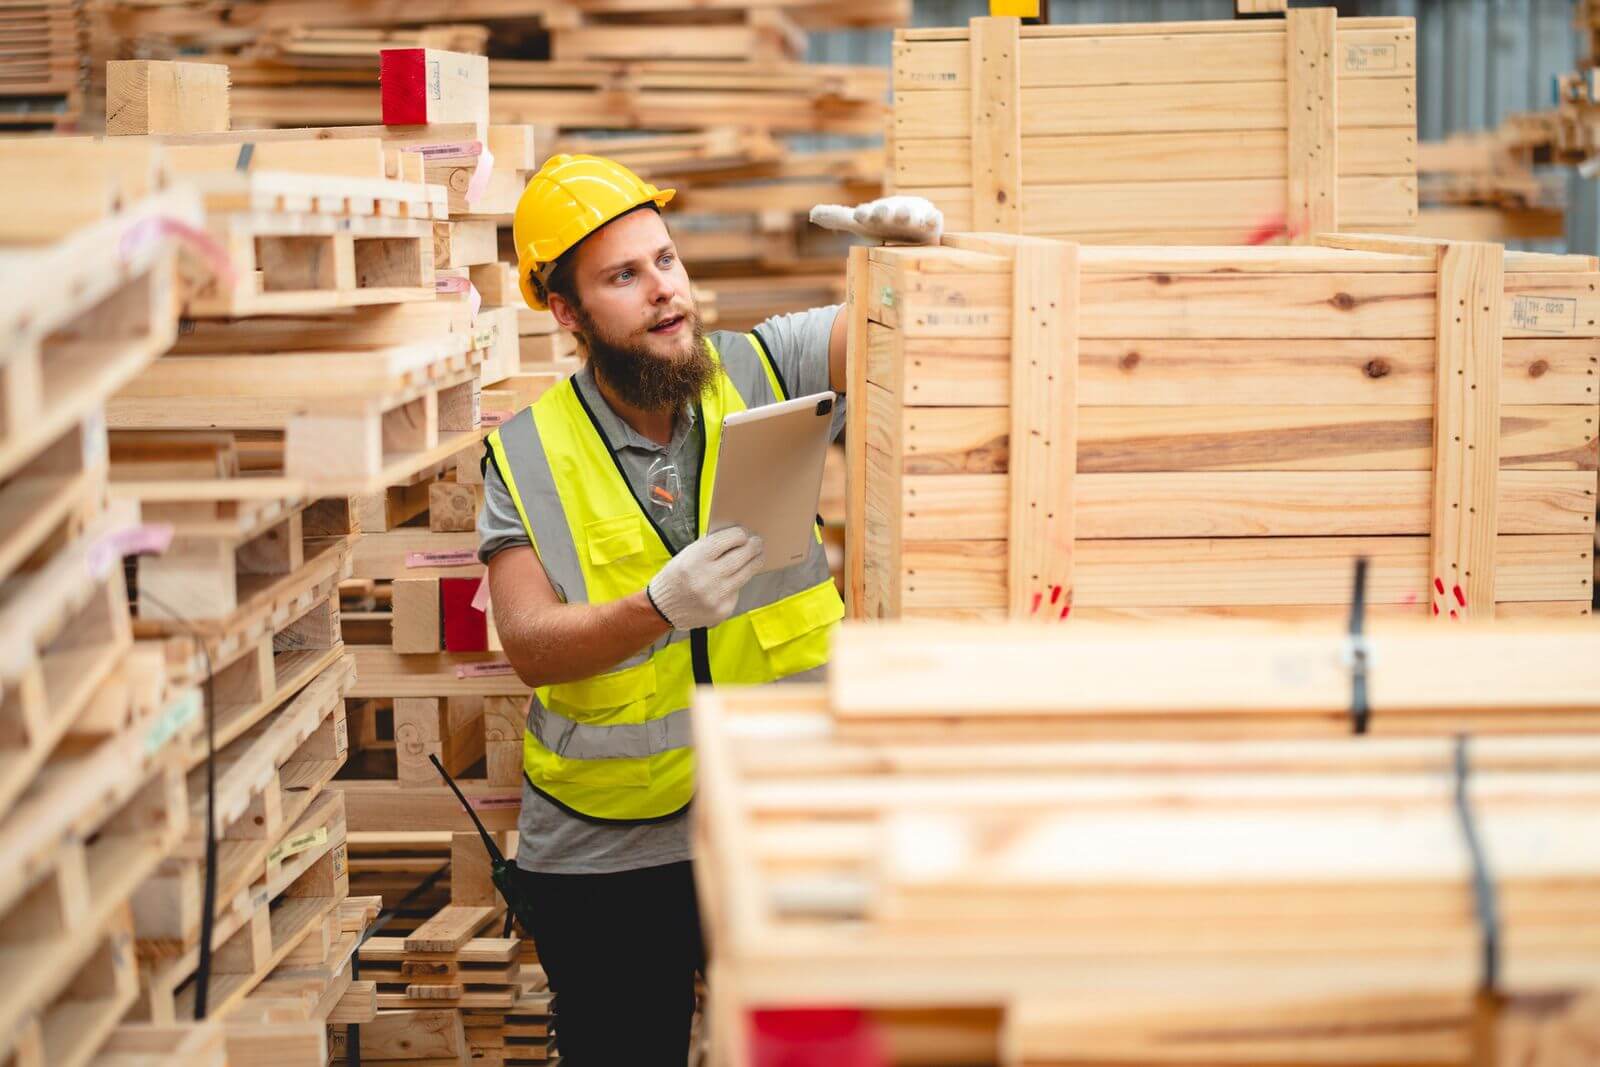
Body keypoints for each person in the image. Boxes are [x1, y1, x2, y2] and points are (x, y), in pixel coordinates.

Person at [476, 154, 940, 1065]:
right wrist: (656, 608)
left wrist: (913, 265)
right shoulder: (527, 455)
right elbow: (529, 643)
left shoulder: (766, 366)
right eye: (624, 276)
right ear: (566, 312)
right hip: (607, 849)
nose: (663, 292)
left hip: (781, 812)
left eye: (667, 261)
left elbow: (903, 328)